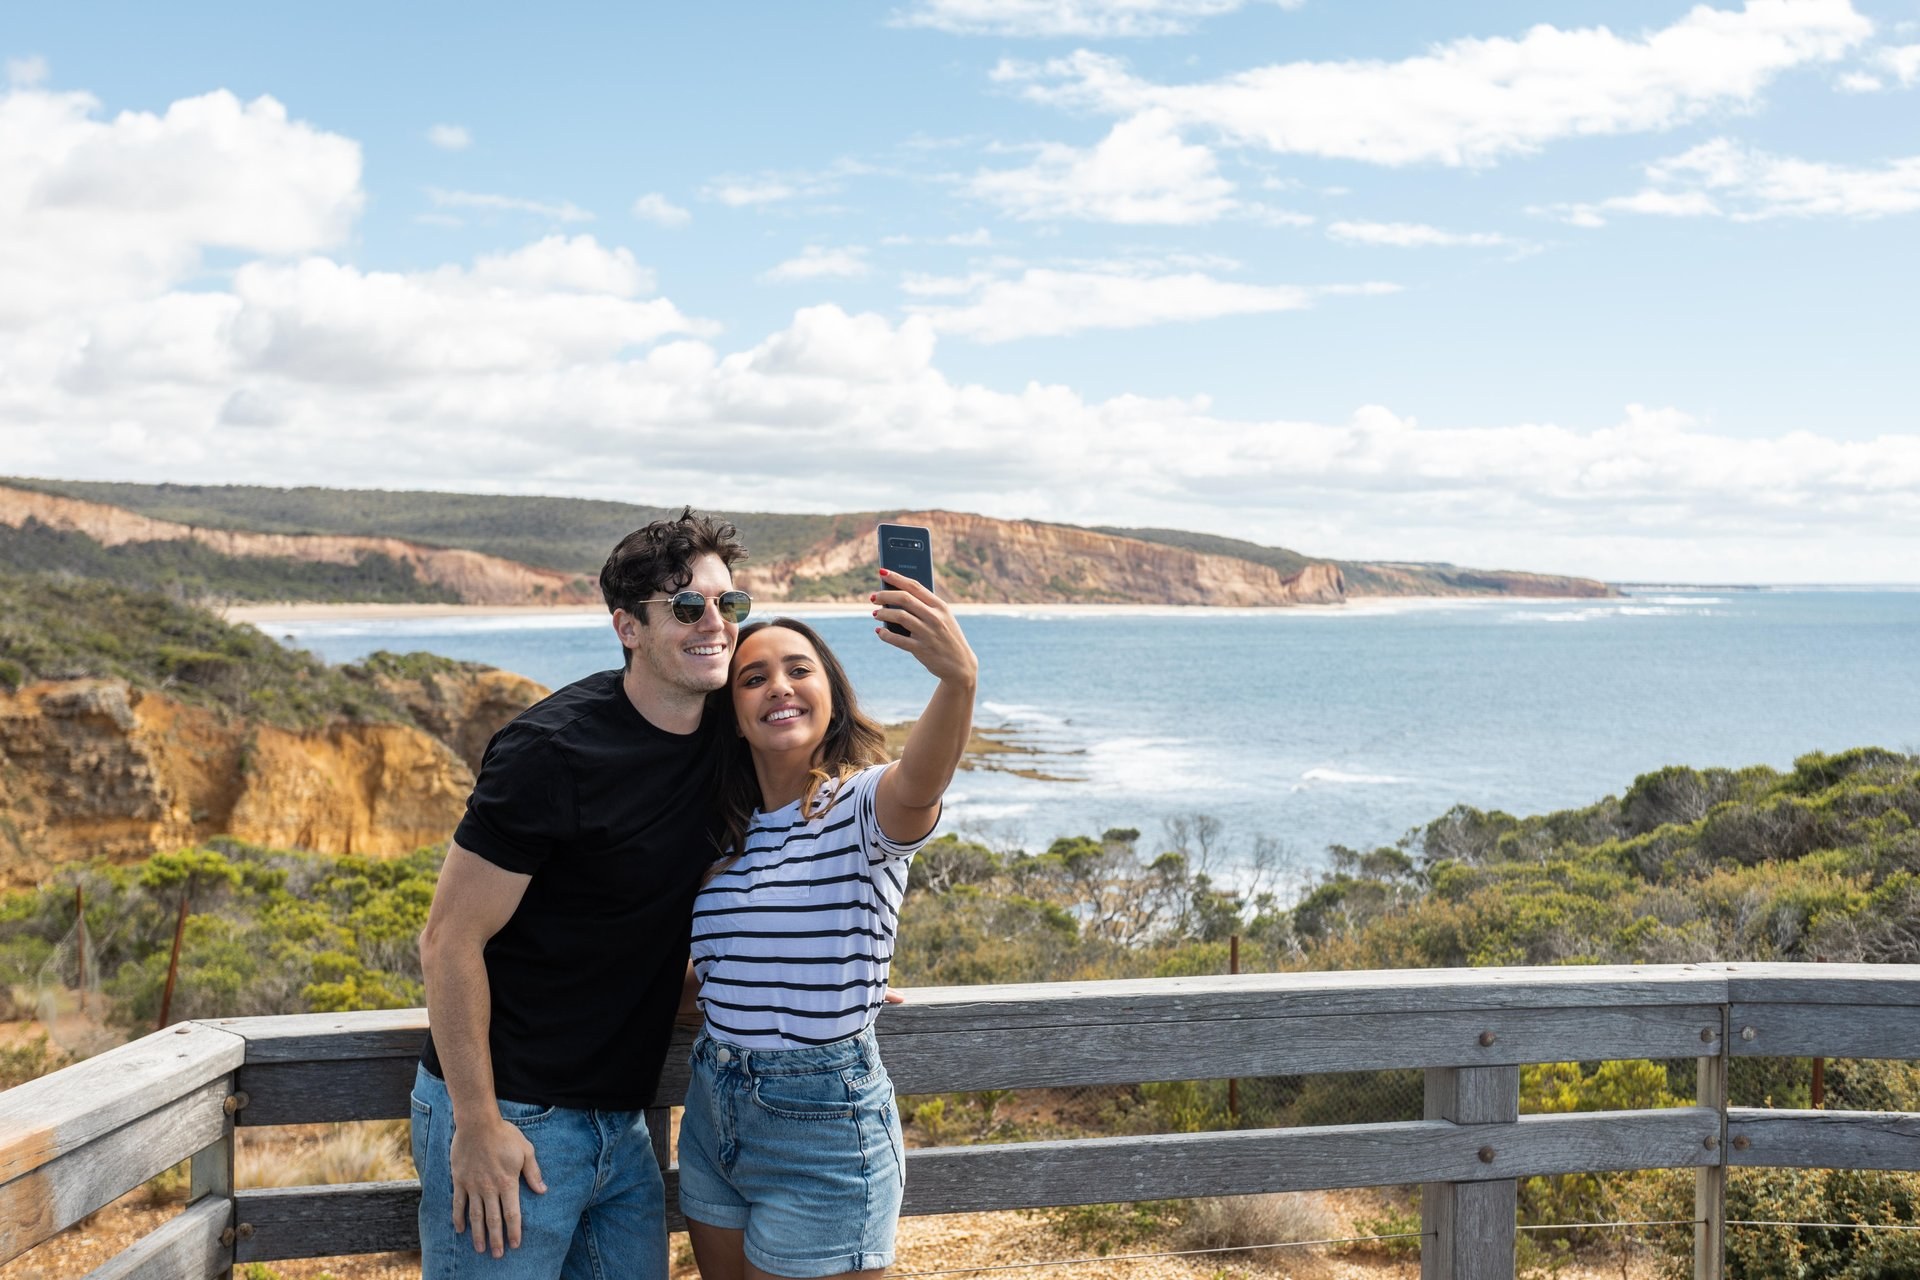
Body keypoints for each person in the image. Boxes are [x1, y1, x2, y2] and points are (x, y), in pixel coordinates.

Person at [412, 508, 750, 1278]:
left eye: (730, 604)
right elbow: (447, 940)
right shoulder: (551, 753)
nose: (716, 625)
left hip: (624, 1126)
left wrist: (830, 973)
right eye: (688, 607)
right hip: (514, 1118)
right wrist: (476, 1122)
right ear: (628, 628)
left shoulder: (724, 734)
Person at [678, 569, 978, 1280]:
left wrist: (958, 680)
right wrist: (827, 979)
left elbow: (922, 782)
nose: (778, 686)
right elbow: (713, 967)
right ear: (733, 712)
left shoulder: (862, 806)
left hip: (824, 1133)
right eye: (752, 679)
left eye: (798, 670)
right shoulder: (723, 834)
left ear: (832, 695)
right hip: (713, 1108)